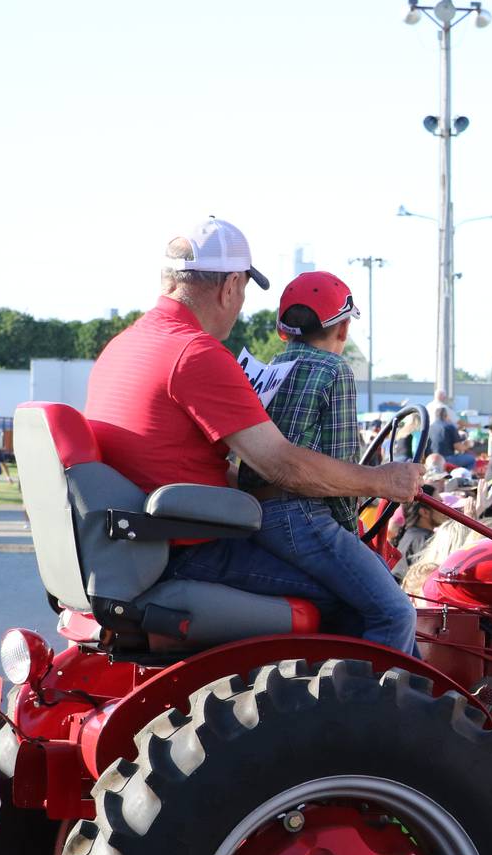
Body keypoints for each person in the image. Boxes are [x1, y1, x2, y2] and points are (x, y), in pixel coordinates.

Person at [83, 218, 422, 618]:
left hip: (139, 543)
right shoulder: (194, 354)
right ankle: (388, 681)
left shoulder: (123, 347)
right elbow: (283, 465)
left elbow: (182, 466)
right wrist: (384, 481)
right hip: (186, 550)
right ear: (230, 287)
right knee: (384, 607)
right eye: (243, 289)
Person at [228, 271, 421, 654]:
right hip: (303, 516)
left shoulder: (268, 371)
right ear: (344, 328)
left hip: (256, 514)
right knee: (395, 613)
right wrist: (355, 536)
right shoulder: (335, 372)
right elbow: (339, 473)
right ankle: (385, 707)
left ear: (284, 331)